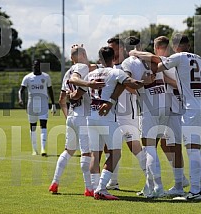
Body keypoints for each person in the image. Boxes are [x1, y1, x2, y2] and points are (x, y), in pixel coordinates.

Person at [130, 33, 201, 201]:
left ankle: (195, 191)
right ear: (189, 45)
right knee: (197, 147)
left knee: (192, 148)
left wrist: (136, 54)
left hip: (187, 107)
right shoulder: (200, 59)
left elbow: (156, 63)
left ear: (174, 47)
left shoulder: (177, 58)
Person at [72, 46, 144, 200]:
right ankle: (101, 188)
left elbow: (76, 95)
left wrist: (72, 93)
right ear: (114, 59)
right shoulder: (115, 72)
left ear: (99, 59)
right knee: (115, 153)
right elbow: (132, 83)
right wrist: (144, 81)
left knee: (95, 155)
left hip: (91, 117)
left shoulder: (91, 74)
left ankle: (95, 189)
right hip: (107, 118)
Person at [48, 45, 102, 196]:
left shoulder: (67, 72)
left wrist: (68, 118)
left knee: (68, 151)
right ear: (83, 54)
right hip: (83, 116)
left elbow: (61, 100)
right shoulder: (81, 67)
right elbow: (80, 75)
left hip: (71, 116)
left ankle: (55, 182)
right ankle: (89, 188)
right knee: (86, 153)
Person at [122, 36, 168, 198]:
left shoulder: (128, 62)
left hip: (149, 108)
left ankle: (159, 187)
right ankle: (149, 187)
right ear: (140, 46)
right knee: (158, 147)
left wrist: (141, 83)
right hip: (165, 105)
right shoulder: (151, 57)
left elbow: (126, 83)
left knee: (149, 149)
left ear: (126, 49)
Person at [105, 37, 146, 190]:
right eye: (108, 48)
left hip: (127, 113)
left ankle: (153, 181)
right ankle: (113, 182)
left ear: (121, 49)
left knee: (135, 148)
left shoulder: (127, 65)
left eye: (113, 48)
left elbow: (134, 88)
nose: (110, 51)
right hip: (112, 115)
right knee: (110, 148)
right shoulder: (109, 68)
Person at [153, 36, 188, 196]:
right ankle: (182, 178)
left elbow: (179, 85)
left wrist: (164, 78)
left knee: (175, 146)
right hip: (166, 109)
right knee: (165, 145)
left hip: (176, 108)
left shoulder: (171, 63)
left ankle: (180, 183)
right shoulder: (164, 62)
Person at [18, 59, 56, 156]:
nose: (36, 67)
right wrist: (20, 99)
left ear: (40, 66)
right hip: (31, 105)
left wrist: (53, 104)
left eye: (38, 65)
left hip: (43, 103)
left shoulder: (46, 77)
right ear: (32, 66)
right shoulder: (27, 77)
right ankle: (34, 150)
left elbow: (50, 90)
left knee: (43, 125)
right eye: (35, 65)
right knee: (33, 127)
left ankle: (43, 149)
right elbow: (21, 90)